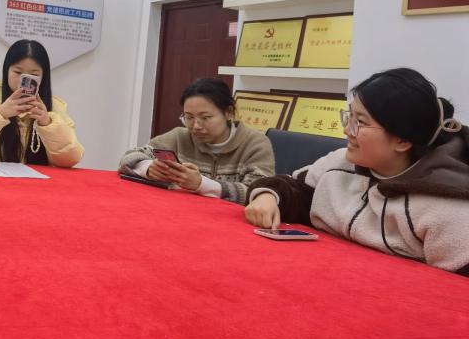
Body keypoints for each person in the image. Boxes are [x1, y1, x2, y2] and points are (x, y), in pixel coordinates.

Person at [244, 68, 469, 275]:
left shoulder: (445, 207)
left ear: (402, 140)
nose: (347, 130)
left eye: (360, 122)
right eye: (349, 116)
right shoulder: (339, 164)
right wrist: (268, 196)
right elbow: (295, 189)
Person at [118, 78, 274, 204]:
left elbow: (259, 192)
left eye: (206, 117)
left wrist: (202, 184)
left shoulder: (254, 143)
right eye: (189, 117)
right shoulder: (180, 137)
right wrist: (148, 168)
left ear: (229, 113)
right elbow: (128, 158)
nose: (196, 126)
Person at [0, 39, 83, 167]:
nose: (24, 80)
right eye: (17, 72)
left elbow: (70, 159)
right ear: (7, 71)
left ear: (44, 76)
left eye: (34, 75)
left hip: (37, 183)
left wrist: (48, 124)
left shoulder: (55, 106)